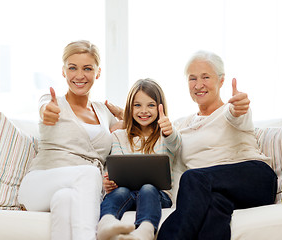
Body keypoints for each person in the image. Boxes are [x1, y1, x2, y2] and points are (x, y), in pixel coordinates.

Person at [156, 51, 278, 240]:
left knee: (193, 178)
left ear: (221, 81)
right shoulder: (183, 124)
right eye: (192, 78)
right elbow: (172, 146)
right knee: (215, 207)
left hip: (255, 179)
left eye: (206, 77)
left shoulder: (230, 111)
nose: (198, 85)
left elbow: (238, 115)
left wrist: (240, 107)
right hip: (215, 190)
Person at [18, 40, 120, 240]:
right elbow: (45, 108)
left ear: (98, 73)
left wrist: (122, 113)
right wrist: (47, 112)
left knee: (65, 200)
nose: (79, 75)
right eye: (72, 68)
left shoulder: (104, 112)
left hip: (75, 191)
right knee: (90, 174)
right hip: (39, 185)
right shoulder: (51, 101)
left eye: (87, 68)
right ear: (64, 71)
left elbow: (136, 125)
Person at [97, 78, 181, 240]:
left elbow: (176, 144)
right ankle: (106, 224)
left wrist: (169, 131)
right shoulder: (118, 136)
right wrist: (109, 182)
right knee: (119, 191)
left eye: (150, 105)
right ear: (129, 108)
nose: (144, 111)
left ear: (159, 107)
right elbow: (114, 168)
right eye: (137, 105)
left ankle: (145, 230)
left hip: (158, 195)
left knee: (148, 188)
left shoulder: (166, 135)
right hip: (126, 192)